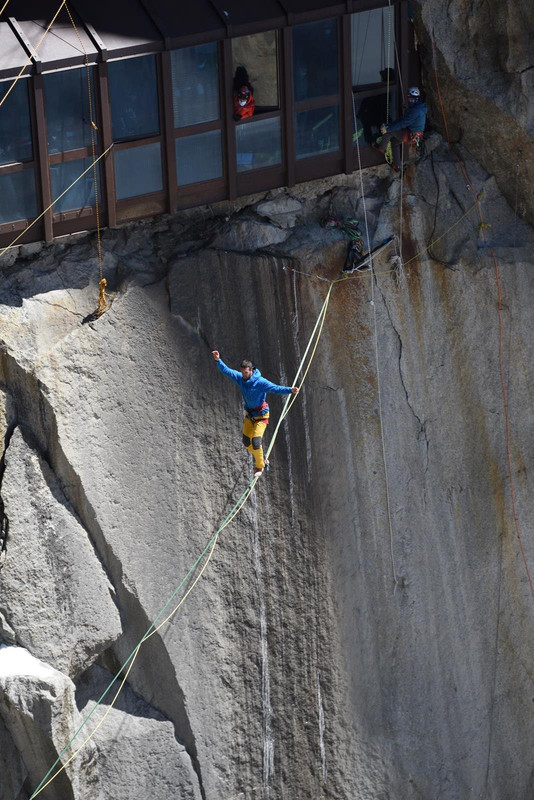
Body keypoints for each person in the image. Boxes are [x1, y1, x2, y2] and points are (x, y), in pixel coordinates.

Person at [212, 351, 299, 477]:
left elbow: (275, 388)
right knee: (247, 443)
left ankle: (260, 466)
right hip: (250, 416)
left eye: (246, 372)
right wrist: (218, 360)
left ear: (251, 370)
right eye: (242, 372)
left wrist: (290, 390)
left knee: (256, 442)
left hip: (262, 416)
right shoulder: (240, 378)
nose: (243, 375)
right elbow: (227, 371)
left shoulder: (260, 382)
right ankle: (262, 457)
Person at [373, 86, 427, 172]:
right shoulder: (418, 107)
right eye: (409, 99)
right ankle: (397, 165)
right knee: (395, 142)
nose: (410, 101)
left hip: (410, 135)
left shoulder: (415, 111)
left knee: (389, 132)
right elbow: (403, 120)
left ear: (416, 99)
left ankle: (381, 148)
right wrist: (390, 125)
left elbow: (403, 123)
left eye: (412, 99)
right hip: (413, 135)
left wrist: (388, 128)